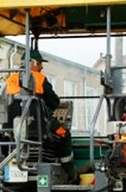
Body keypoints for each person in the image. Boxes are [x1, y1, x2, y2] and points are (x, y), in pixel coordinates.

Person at [5, 48, 75, 182]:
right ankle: (68, 171)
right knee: (64, 133)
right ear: (31, 62)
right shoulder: (39, 79)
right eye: (39, 63)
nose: (41, 67)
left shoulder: (10, 79)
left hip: (12, 128)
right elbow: (54, 102)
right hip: (39, 126)